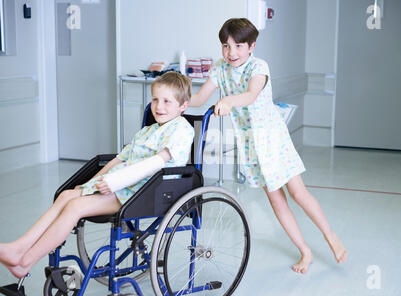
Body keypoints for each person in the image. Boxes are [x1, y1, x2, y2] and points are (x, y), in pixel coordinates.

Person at [189, 18, 347, 274]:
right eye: (226, 46)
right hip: (252, 146)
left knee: (298, 193)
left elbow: (251, 95)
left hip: (272, 140)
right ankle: (305, 251)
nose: (231, 53)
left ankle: (331, 236)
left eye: (239, 46)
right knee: (277, 201)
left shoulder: (258, 66)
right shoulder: (220, 68)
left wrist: (228, 100)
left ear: (251, 46)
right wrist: (174, 101)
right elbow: (198, 98)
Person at [0, 72, 195, 279]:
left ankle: (26, 262)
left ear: (183, 106)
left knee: (75, 207)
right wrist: (91, 184)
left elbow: (155, 163)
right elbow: (118, 160)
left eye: (167, 101)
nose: (158, 106)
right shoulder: (147, 131)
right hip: (119, 185)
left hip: (145, 191)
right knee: (66, 196)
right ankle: (19, 247)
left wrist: (113, 181)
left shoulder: (182, 130)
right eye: (155, 99)